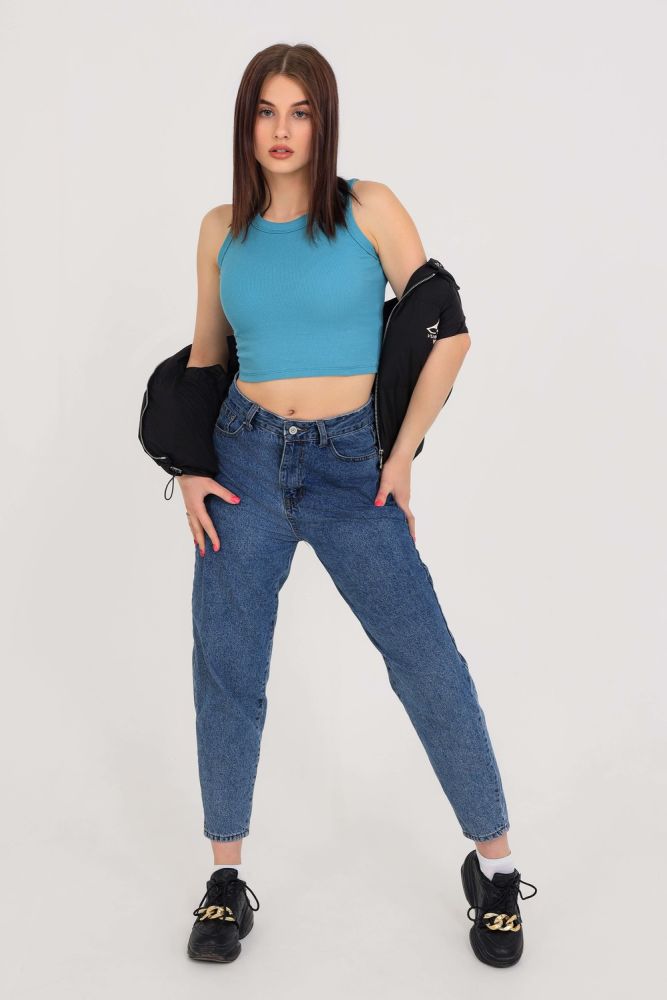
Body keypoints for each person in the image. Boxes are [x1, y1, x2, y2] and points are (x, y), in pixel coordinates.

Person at [182, 43, 536, 967]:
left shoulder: (367, 207)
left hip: (351, 467)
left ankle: (496, 870)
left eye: (299, 112)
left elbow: (445, 329)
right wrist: (188, 468)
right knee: (228, 670)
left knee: (426, 661)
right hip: (242, 462)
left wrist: (402, 453)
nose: (281, 130)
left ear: (323, 120)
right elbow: (206, 359)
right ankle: (224, 881)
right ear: (245, 122)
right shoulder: (220, 229)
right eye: (265, 111)